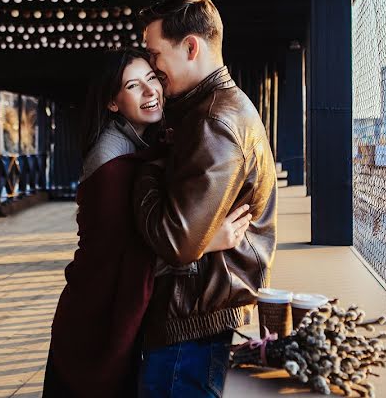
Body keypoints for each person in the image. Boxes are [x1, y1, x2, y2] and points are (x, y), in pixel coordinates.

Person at [44, 48, 253, 398]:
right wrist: (203, 241)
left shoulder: (154, 140)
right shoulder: (109, 160)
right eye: (132, 86)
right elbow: (116, 260)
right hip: (94, 316)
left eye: (151, 78)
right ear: (113, 103)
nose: (150, 91)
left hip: (114, 310)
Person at [133, 0, 278, 397]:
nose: (152, 65)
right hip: (199, 312)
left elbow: (177, 240)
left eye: (156, 54)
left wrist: (146, 166)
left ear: (191, 46)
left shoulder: (213, 120)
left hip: (189, 319)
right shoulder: (212, 109)